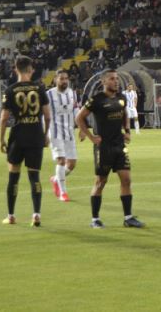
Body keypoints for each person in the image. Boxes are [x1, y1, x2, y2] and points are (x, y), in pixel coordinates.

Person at [76, 70, 144, 229]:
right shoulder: (96, 99)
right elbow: (79, 118)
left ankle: (128, 218)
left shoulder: (121, 98)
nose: (116, 81)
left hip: (119, 145)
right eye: (112, 79)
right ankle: (95, 219)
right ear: (104, 82)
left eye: (117, 79)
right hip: (103, 147)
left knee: (126, 180)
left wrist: (127, 131)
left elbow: (125, 113)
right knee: (100, 182)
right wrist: (91, 137)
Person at [0, 56, 51, 227]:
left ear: (16, 69)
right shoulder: (39, 88)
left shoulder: (10, 90)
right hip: (35, 134)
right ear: (31, 70)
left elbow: (4, 118)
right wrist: (45, 134)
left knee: (13, 176)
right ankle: (36, 214)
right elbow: (48, 115)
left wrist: (1, 139)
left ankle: (11, 215)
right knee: (34, 177)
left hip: (18, 135)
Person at [47, 70, 78, 202]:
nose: (64, 81)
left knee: (71, 164)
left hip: (69, 131)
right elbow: (44, 115)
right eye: (61, 78)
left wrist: (82, 128)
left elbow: (76, 110)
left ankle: (55, 179)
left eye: (66, 78)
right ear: (55, 79)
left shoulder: (72, 93)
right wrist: (44, 133)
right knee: (61, 160)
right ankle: (63, 193)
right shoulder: (48, 95)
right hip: (54, 132)